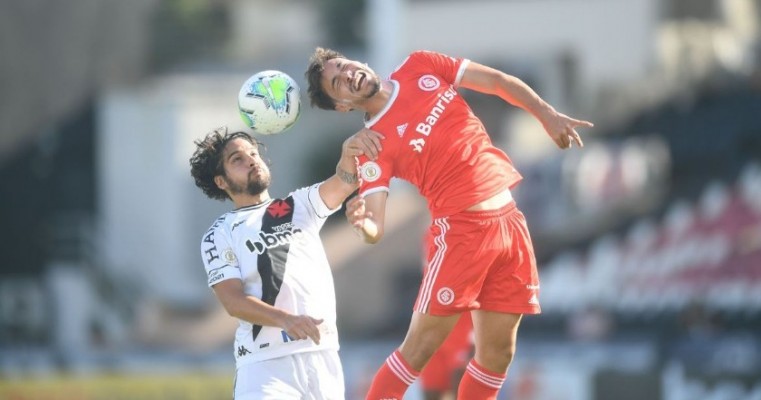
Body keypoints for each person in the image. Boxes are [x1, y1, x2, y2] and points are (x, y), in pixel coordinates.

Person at [305, 47, 593, 399]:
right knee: (418, 351)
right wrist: (363, 222)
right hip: (461, 233)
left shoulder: (419, 64)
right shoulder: (370, 144)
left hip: (510, 223)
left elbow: (497, 82)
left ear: (359, 63)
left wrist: (546, 115)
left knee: (497, 355)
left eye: (344, 67)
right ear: (343, 106)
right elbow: (375, 226)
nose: (348, 75)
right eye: (338, 83)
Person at [189, 126, 382, 400]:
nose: (251, 160)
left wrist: (350, 150)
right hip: (264, 366)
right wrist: (285, 319)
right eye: (237, 160)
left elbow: (345, 180)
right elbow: (233, 302)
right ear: (221, 181)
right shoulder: (219, 233)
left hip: (322, 356)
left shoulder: (300, 205)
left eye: (253, 153)